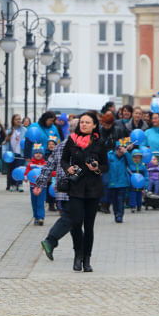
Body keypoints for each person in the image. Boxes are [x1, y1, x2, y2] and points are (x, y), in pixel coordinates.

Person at [40, 111, 109, 272]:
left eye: (87, 122)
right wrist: (67, 168)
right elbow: (64, 159)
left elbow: (106, 167)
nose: (84, 125)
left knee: (89, 226)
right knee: (76, 223)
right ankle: (78, 256)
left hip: (93, 189)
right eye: (82, 122)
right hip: (76, 188)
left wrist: (97, 168)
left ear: (94, 125)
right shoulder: (72, 140)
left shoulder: (99, 142)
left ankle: (87, 259)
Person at [107, 139, 134, 223]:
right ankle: (116, 214)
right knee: (114, 200)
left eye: (122, 149)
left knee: (120, 199)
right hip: (112, 182)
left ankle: (120, 215)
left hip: (122, 182)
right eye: (119, 149)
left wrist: (126, 153)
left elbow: (131, 164)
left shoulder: (126, 156)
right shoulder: (110, 155)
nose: (120, 151)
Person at [25, 144, 48, 225]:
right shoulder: (30, 164)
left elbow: (48, 172)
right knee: (34, 202)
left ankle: (41, 217)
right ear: (33, 154)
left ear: (43, 154)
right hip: (33, 186)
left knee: (40, 202)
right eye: (36, 153)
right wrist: (25, 177)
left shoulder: (45, 164)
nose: (38, 154)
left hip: (42, 187)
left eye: (40, 153)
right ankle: (36, 217)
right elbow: (27, 172)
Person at [5, 114, 26, 191]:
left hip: (21, 153)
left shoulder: (24, 130)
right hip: (11, 154)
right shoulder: (9, 131)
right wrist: (5, 153)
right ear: (13, 121)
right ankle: (13, 184)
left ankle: (20, 184)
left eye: (20, 119)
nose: (19, 121)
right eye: (17, 119)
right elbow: (6, 143)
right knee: (12, 169)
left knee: (20, 169)